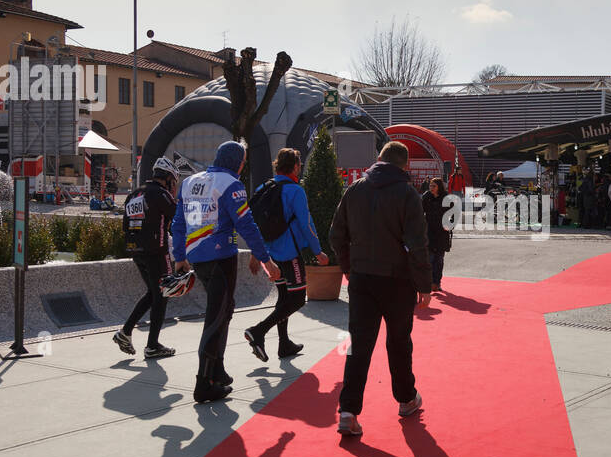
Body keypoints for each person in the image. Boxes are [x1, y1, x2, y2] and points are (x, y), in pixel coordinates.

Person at [329, 141, 431, 437]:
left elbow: (336, 234)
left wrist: (349, 267)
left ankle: (348, 411)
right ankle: (406, 399)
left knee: (358, 345)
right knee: (399, 342)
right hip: (398, 280)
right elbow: (417, 244)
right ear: (404, 165)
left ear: (379, 159)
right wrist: (424, 284)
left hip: (362, 278)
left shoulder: (355, 189)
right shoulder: (408, 194)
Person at [171, 141, 280, 404]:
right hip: (221, 258)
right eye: (243, 161)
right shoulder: (231, 184)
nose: (243, 165)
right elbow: (247, 225)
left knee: (224, 311)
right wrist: (267, 261)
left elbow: (178, 223)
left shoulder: (189, 182)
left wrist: (180, 257)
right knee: (216, 318)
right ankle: (203, 384)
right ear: (237, 162)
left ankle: (217, 371)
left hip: (197, 257)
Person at [242, 148, 328, 363]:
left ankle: (284, 344)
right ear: (296, 167)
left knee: (283, 297)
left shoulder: (264, 187)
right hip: (290, 253)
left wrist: (256, 253)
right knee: (297, 299)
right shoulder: (295, 191)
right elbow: (306, 224)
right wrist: (317, 251)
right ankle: (258, 331)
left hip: (271, 255)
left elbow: (254, 224)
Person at [114, 157, 180, 359]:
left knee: (154, 293)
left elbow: (125, 225)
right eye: (174, 182)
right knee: (163, 294)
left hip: (137, 251)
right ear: (168, 178)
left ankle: (125, 332)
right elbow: (178, 218)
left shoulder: (134, 194)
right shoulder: (161, 194)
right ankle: (152, 346)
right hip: (156, 251)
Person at [420, 176, 452, 292]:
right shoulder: (426, 197)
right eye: (430, 186)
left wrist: (449, 225)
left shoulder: (446, 198)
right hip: (429, 231)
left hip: (442, 232)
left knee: (439, 259)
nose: (431, 188)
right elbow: (419, 211)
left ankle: (437, 282)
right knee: (429, 259)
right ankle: (430, 282)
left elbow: (454, 213)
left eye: (434, 186)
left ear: (439, 187)